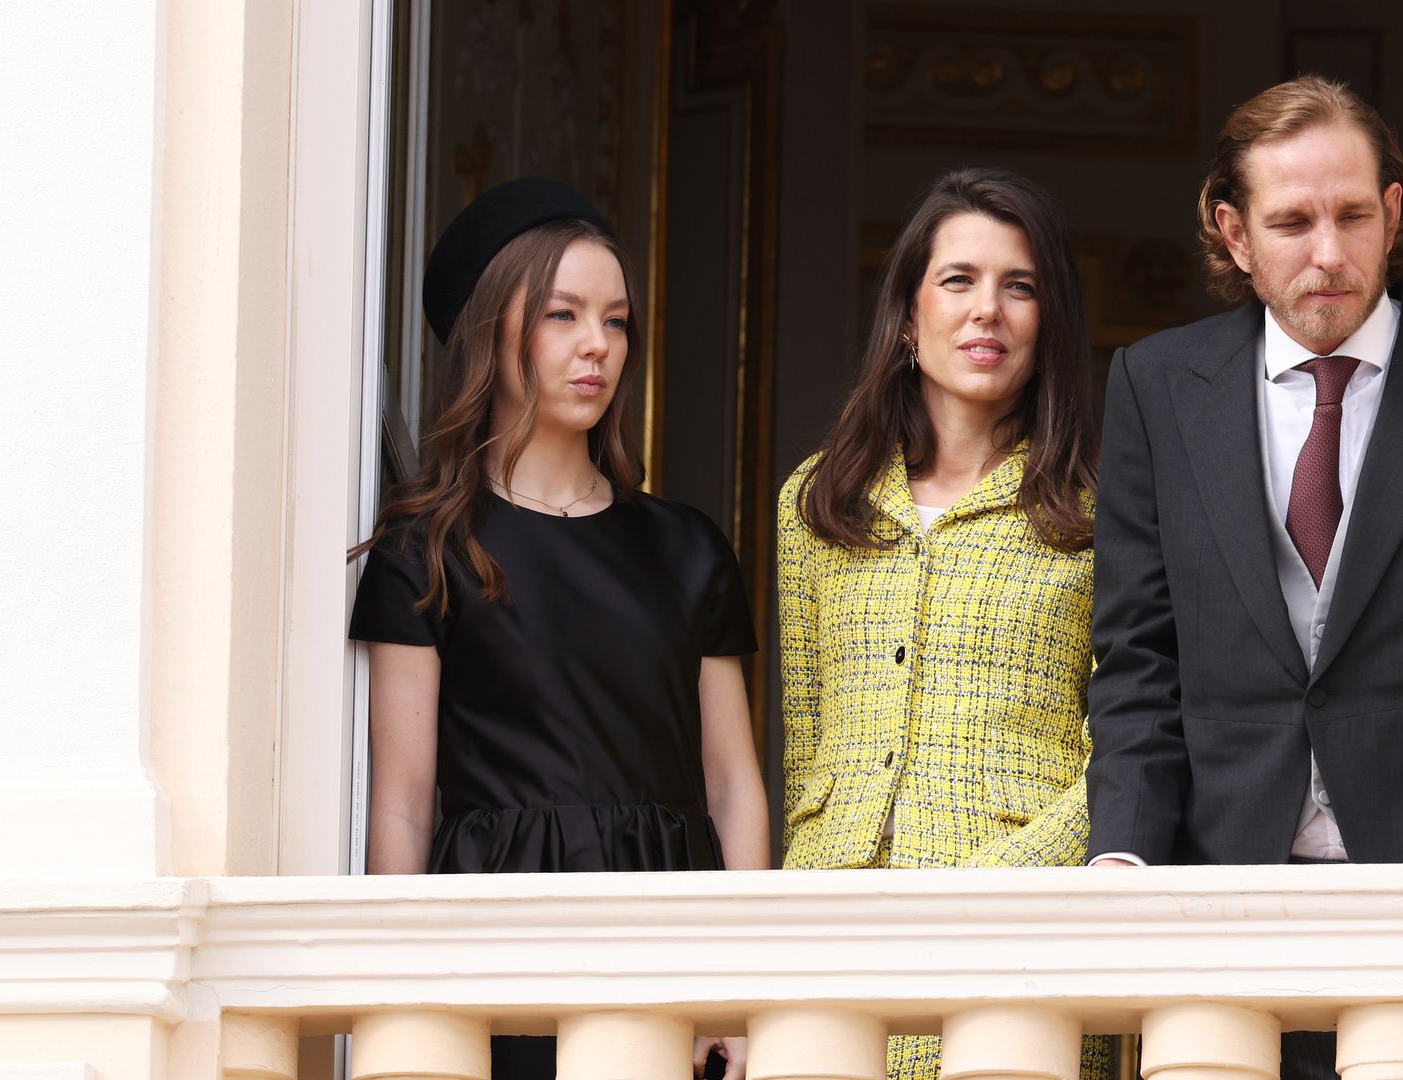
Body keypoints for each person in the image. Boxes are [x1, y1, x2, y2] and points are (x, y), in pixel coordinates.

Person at [1086, 76, 1403, 1080]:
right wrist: (1123, 855)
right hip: (1219, 905)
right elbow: (1136, 650)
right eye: (1292, 220)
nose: (1328, 252)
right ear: (1232, 232)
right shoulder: (1153, 384)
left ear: (1394, 213)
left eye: (1355, 215)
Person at [349, 178, 767, 1080]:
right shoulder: (424, 552)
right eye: (562, 315)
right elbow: (402, 801)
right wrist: (406, 999)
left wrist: (737, 988)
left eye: (616, 321)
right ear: (491, 329)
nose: (597, 347)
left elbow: (733, 786)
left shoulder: (687, 547)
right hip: (493, 942)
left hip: (667, 936)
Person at [777, 167, 1110, 1080]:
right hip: (829, 940)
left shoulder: (1102, 516)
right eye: (958, 280)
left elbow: (1130, 744)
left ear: (1051, 323)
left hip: (1022, 940)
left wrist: (1006, 879)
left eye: (1021, 286)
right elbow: (806, 746)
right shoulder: (815, 502)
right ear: (906, 311)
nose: (987, 312)